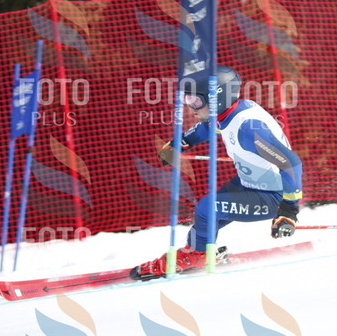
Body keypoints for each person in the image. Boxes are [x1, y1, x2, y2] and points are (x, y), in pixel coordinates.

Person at [130, 65, 303, 280]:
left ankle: (197, 255)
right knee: (208, 215)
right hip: (251, 182)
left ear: (216, 98)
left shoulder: (248, 128)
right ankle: (197, 252)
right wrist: (179, 144)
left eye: (196, 101)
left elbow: (291, 163)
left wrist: (289, 210)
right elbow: (206, 128)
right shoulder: (227, 113)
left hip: (273, 197)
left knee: (207, 207)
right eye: (188, 100)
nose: (191, 107)